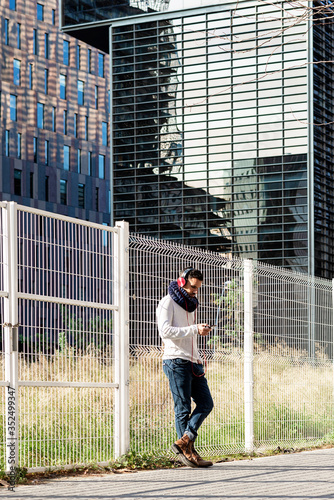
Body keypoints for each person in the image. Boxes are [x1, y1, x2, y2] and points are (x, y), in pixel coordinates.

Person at [156, 267, 214, 468]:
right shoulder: (167, 302)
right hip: (175, 361)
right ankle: (189, 454)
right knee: (183, 409)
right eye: (192, 287)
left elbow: (190, 335)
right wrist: (193, 329)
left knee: (206, 403)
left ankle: (185, 440)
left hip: (193, 361)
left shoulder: (191, 305)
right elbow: (164, 331)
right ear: (182, 282)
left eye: (198, 288)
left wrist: (199, 335)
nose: (195, 291)